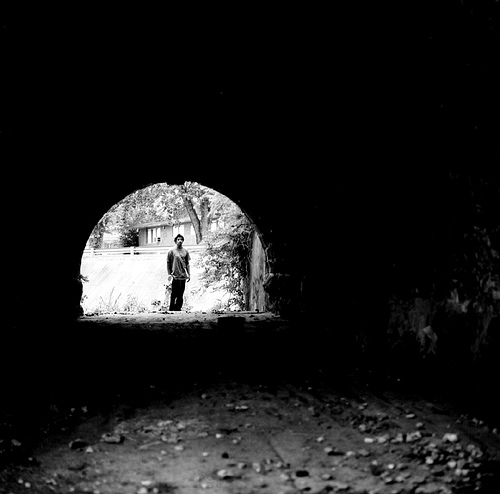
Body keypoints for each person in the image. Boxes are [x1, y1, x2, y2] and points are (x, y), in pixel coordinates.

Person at [166, 234, 191, 311]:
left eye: (181, 239)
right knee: (173, 294)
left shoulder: (185, 251)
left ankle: (178, 309)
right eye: (178, 239)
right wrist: (169, 274)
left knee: (181, 294)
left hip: (183, 275)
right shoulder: (171, 251)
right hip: (174, 276)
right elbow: (168, 263)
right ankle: (171, 309)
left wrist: (189, 274)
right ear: (175, 241)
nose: (180, 241)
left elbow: (187, 263)